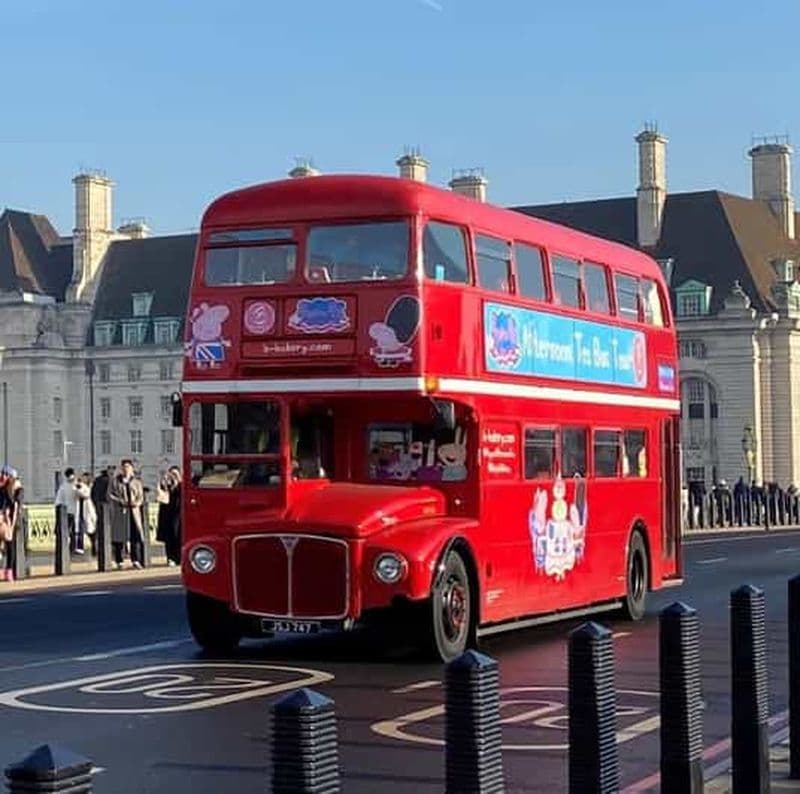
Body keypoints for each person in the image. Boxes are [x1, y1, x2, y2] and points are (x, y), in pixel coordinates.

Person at [108, 459, 145, 570]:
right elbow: (110, 495)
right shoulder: (115, 481)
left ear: (132, 468)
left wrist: (137, 503)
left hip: (133, 511)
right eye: (124, 467)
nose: (126, 469)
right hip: (121, 511)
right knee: (119, 537)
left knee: (135, 536)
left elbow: (141, 496)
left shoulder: (136, 482)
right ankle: (119, 560)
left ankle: (136, 560)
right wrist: (120, 501)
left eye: (128, 467)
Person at [156, 466, 182, 566]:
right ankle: (170, 557)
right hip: (167, 513)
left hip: (178, 514)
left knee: (178, 535)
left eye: (175, 475)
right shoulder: (165, 486)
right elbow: (160, 497)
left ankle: (179, 557)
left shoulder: (181, 486)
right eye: (171, 474)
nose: (173, 477)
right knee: (168, 537)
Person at [0, 465, 21, 582]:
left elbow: (15, 505)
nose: (3, 476)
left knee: (10, 546)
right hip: (4, 520)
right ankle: (6, 571)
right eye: (2, 474)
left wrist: (11, 523)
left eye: (6, 474)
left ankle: (9, 571)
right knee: (6, 546)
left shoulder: (16, 489)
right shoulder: (2, 488)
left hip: (9, 521)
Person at [54, 468, 80, 553]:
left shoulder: (76, 485)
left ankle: (72, 547)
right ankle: (69, 547)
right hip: (67, 512)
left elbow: (84, 494)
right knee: (68, 531)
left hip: (72, 511)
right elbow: (58, 500)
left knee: (72, 531)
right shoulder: (64, 486)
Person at [76, 473, 97, 557]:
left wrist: (79, 489)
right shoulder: (80, 486)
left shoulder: (88, 487)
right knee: (81, 530)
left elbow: (86, 495)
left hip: (88, 511)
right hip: (80, 511)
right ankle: (79, 547)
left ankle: (94, 546)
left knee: (91, 530)